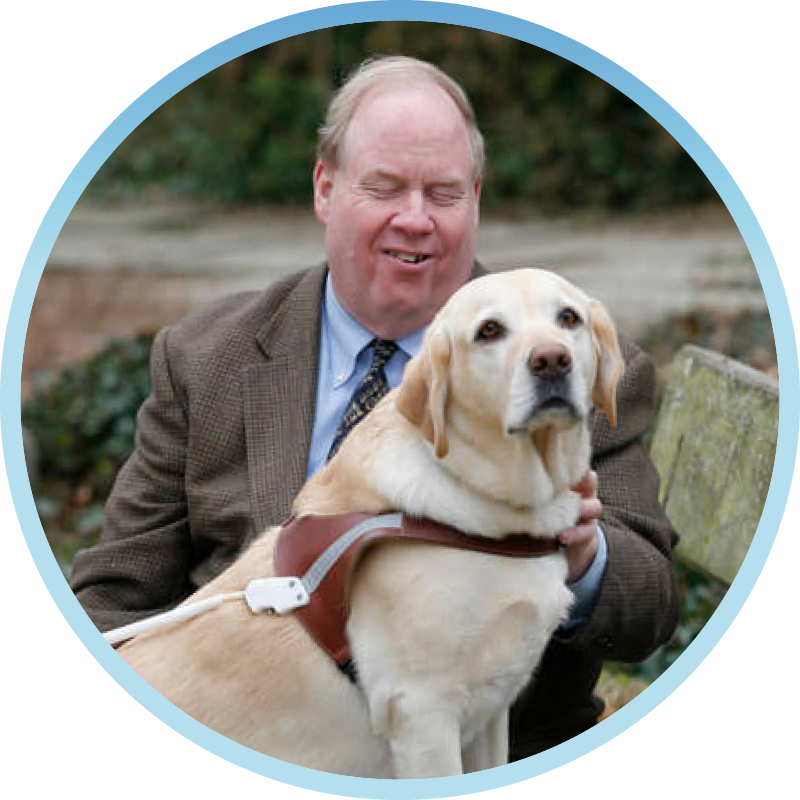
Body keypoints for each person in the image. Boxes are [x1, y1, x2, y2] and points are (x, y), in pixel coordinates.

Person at [70, 56, 679, 761]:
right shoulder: (206, 357)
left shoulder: (571, 364)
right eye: (384, 188)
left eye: (443, 193)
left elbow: (653, 603)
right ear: (326, 190)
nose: (414, 220)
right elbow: (111, 601)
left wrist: (581, 554)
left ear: (475, 200)